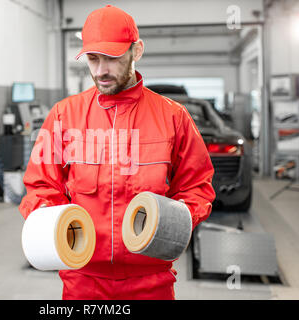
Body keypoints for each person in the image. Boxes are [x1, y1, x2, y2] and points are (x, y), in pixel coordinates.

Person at [19, 5, 215, 300]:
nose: (100, 71)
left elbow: (196, 188)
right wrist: (50, 218)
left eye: (111, 58)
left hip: (151, 281)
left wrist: (172, 224)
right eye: (93, 59)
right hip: (83, 281)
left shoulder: (174, 118)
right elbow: (40, 185)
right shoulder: (63, 116)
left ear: (136, 51)